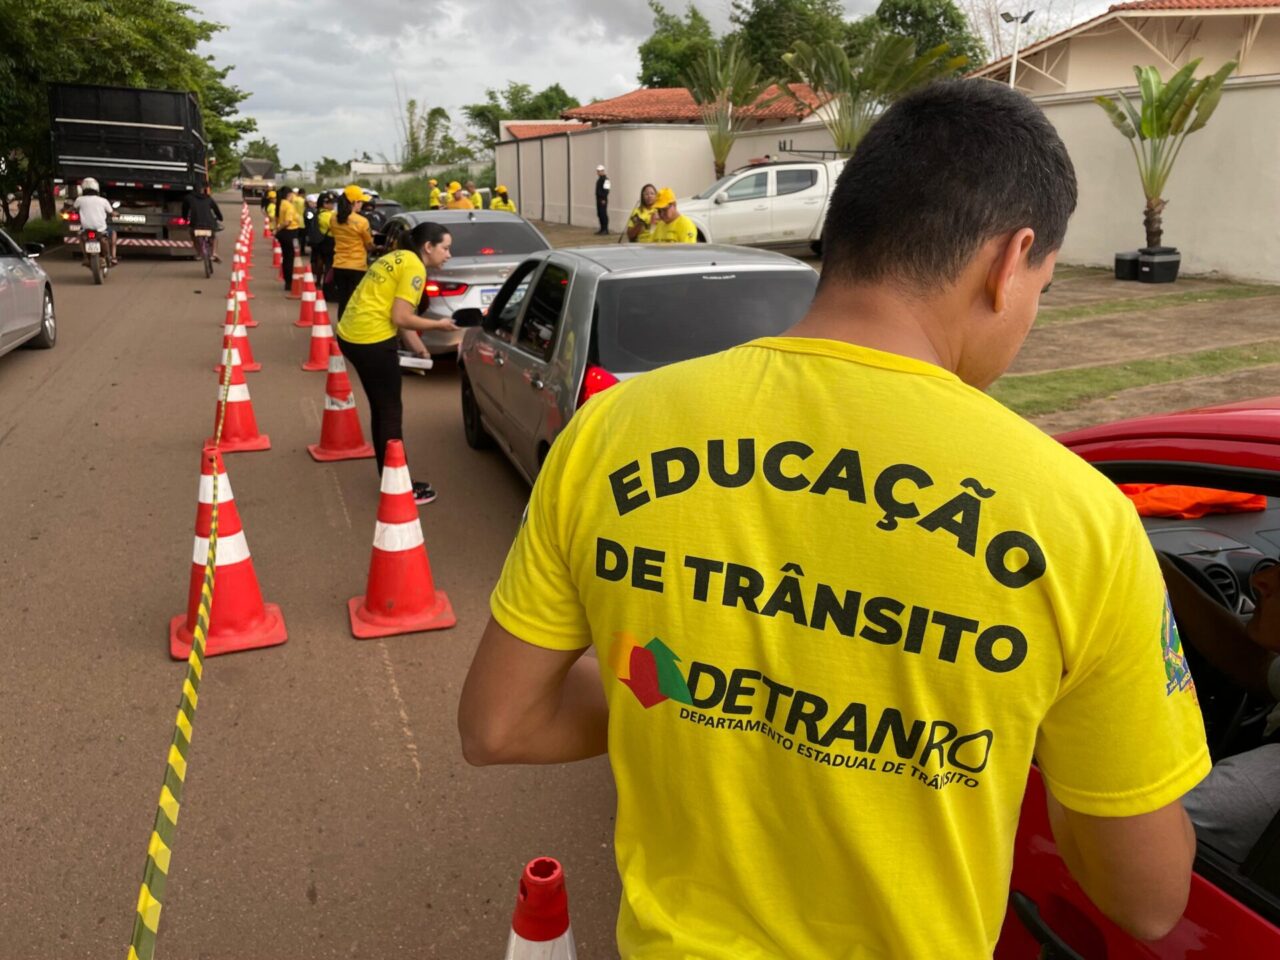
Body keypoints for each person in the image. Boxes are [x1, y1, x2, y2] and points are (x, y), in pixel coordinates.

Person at [458, 80, 1210, 957]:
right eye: (1041, 285)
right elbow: (1149, 898)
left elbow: (497, 725)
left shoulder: (612, 434)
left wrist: (702, 675)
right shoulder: (1078, 519)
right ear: (1013, 261)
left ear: (842, 232)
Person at [1162, 556, 1280, 862]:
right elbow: (1253, 665)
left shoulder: (1252, 791)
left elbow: (1131, 841)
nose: (1261, 579)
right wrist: (1162, 572)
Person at [335, 221, 459, 505]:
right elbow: (402, 317)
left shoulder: (394, 257)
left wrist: (420, 350)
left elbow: (395, 315)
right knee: (389, 412)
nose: (449, 254)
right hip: (371, 340)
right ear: (428, 247)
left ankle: (390, 478)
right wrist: (439, 325)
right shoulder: (415, 267)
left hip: (351, 334)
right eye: (446, 248)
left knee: (382, 408)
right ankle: (399, 487)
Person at [330, 184, 375, 317]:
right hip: (357, 267)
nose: (362, 204)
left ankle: (341, 329)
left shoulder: (333, 218)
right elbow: (369, 245)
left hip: (338, 265)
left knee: (343, 300)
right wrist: (376, 247)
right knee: (354, 301)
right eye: (361, 201)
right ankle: (351, 331)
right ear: (354, 202)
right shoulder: (362, 221)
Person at [74, 177, 118, 264]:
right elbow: (112, 212)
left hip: (86, 229)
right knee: (113, 233)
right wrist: (116, 214)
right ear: (97, 188)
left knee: (80, 237)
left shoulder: (79, 200)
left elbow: (72, 208)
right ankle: (113, 257)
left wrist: (65, 211)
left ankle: (86, 257)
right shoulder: (103, 201)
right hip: (101, 229)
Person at [182, 184, 224, 262]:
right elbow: (216, 210)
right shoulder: (208, 198)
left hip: (195, 224)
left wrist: (185, 219)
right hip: (209, 224)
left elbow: (185, 210)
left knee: (194, 236)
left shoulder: (188, 198)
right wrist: (220, 218)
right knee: (213, 237)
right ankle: (214, 253)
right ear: (203, 190)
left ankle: (199, 253)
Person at [274, 186, 303, 291]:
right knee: (290, 259)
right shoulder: (289, 206)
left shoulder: (280, 204)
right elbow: (288, 221)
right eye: (292, 195)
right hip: (290, 233)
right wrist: (278, 228)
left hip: (283, 234)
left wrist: (277, 230)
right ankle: (290, 282)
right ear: (289, 195)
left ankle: (287, 281)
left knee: (286, 258)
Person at [594, 163, 610, 235]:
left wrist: (603, 199)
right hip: (598, 199)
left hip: (603, 199)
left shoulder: (606, 180)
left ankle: (605, 229)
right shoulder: (599, 180)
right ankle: (602, 229)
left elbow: (607, 190)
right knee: (600, 214)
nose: (598, 172)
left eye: (600, 171)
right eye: (598, 171)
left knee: (603, 214)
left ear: (603, 171)